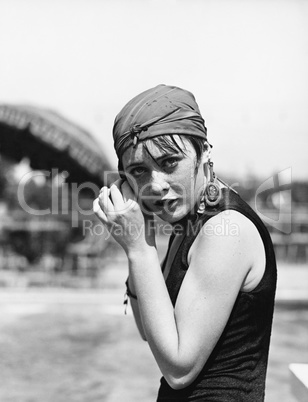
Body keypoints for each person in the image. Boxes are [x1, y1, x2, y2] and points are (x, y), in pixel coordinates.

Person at [93, 84, 277, 401]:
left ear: (204, 152)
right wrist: (138, 242)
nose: (156, 185)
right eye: (139, 171)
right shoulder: (189, 221)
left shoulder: (225, 229)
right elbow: (148, 330)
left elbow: (179, 370)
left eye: (169, 163)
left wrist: (139, 250)